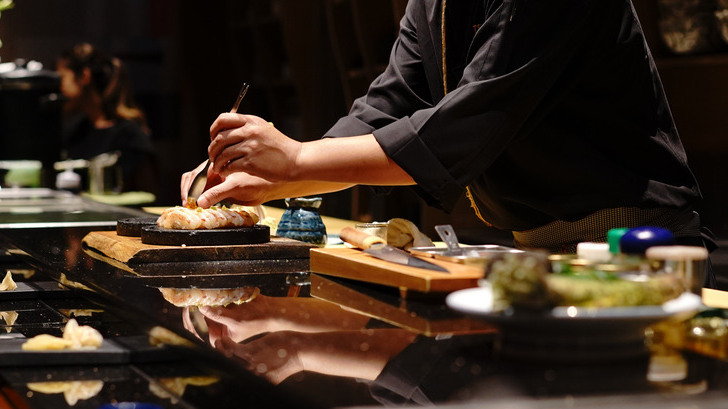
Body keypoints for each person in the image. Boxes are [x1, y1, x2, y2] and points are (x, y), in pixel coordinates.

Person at [181, 1, 716, 279]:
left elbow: (469, 124)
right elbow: (386, 108)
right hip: (544, 255)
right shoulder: (432, 3)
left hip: (638, 251)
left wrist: (296, 159)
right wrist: (268, 180)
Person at [57, 43, 156, 193]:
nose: (59, 87)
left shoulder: (129, 135)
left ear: (84, 76)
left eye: (62, 78)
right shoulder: (77, 130)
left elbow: (149, 194)